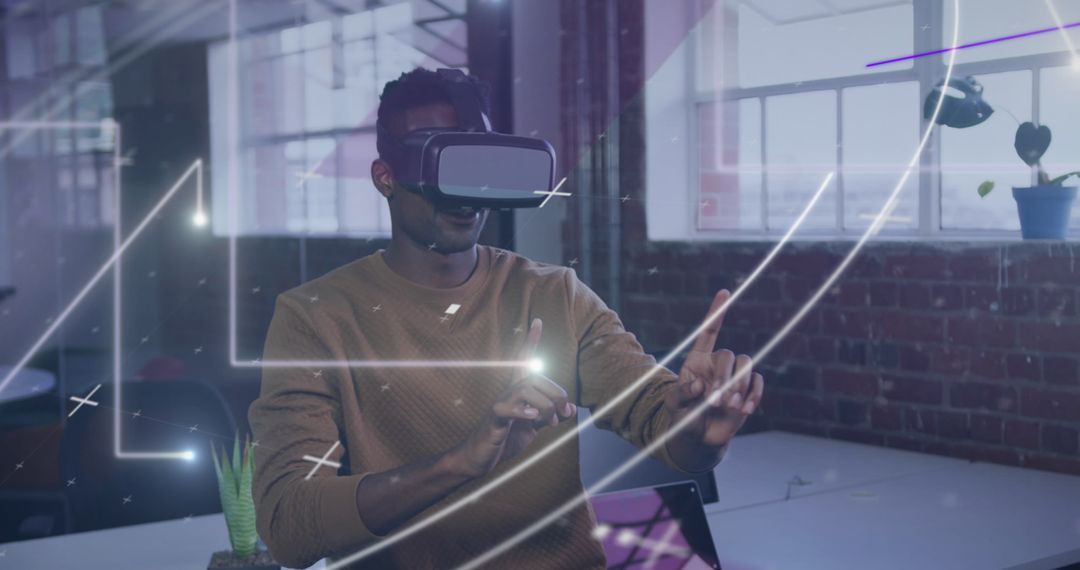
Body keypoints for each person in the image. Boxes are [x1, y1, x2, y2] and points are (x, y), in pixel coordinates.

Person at [248, 67, 764, 569]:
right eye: (440, 159)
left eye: (478, 162)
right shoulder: (315, 318)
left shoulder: (554, 294)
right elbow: (288, 525)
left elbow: (660, 420)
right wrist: (461, 463)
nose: (465, 190)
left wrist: (699, 434)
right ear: (386, 177)